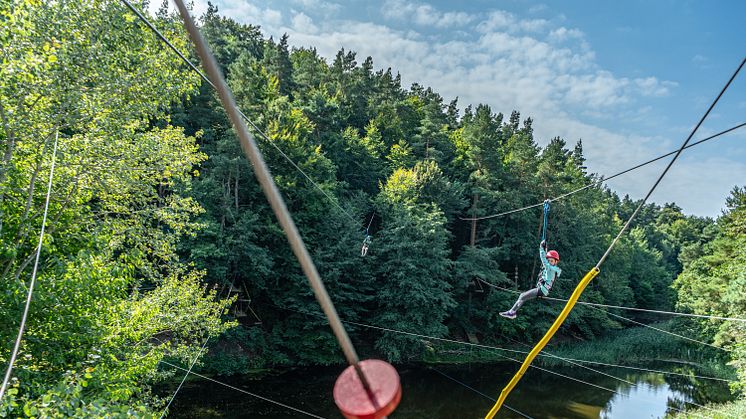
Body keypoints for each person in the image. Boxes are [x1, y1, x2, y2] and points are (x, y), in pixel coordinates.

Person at [500, 240, 561, 319]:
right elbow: (545, 260)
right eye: (549, 260)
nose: (549, 262)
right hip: (543, 289)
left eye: (551, 261)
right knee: (523, 297)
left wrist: (541, 248)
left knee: (522, 296)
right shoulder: (553, 268)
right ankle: (512, 312)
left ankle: (512, 312)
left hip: (542, 290)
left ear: (556, 262)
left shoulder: (550, 268)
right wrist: (545, 249)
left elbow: (543, 259)